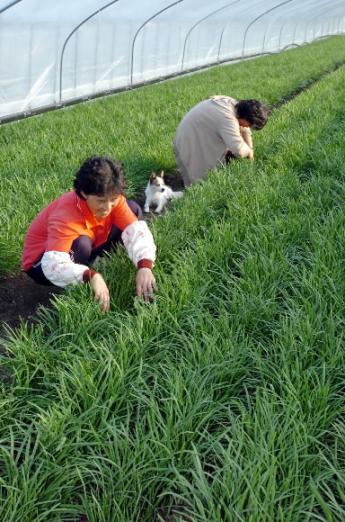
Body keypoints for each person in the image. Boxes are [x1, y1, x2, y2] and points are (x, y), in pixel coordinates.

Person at [21, 156, 157, 312]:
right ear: (85, 193)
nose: (107, 207)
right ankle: (74, 282)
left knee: (132, 209)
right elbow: (52, 264)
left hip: (88, 240)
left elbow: (136, 231)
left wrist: (144, 266)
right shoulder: (65, 215)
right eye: (101, 200)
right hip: (42, 262)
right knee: (81, 245)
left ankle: (89, 264)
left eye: (112, 199)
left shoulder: (114, 200)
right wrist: (90, 276)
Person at [174, 96, 270, 186]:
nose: (248, 127)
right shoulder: (228, 119)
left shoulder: (234, 105)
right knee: (201, 182)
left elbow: (245, 131)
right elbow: (239, 150)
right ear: (246, 117)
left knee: (219, 163)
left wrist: (250, 149)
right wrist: (248, 151)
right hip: (191, 139)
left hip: (193, 132)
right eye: (250, 125)